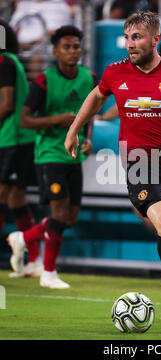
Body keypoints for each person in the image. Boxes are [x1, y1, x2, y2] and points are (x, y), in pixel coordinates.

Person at [65, 11, 161, 326]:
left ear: (155, 39)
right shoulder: (115, 73)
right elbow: (96, 96)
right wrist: (75, 128)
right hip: (139, 165)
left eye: (138, 37)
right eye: (128, 37)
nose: (131, 44)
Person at [7, 25, 96, 289]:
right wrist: (57, 119)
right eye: (67, 47)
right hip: (49, 154)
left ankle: (22, 238)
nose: (72, 51)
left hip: (74, 156)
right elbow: (24, 120)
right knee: (58, 213)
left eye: (76, 46)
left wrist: (87, 138)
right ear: (56, 50)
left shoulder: (89, 77)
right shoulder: (44, 81)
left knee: (69, 218)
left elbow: (88, 112)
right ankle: (48, 273)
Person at [0, 19, 39, 277]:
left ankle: (34, 258)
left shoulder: (4, 62)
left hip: (13, 140)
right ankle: (34, 259)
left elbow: (6, 105)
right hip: (17, 140)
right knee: (14, 199)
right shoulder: (10, 61)